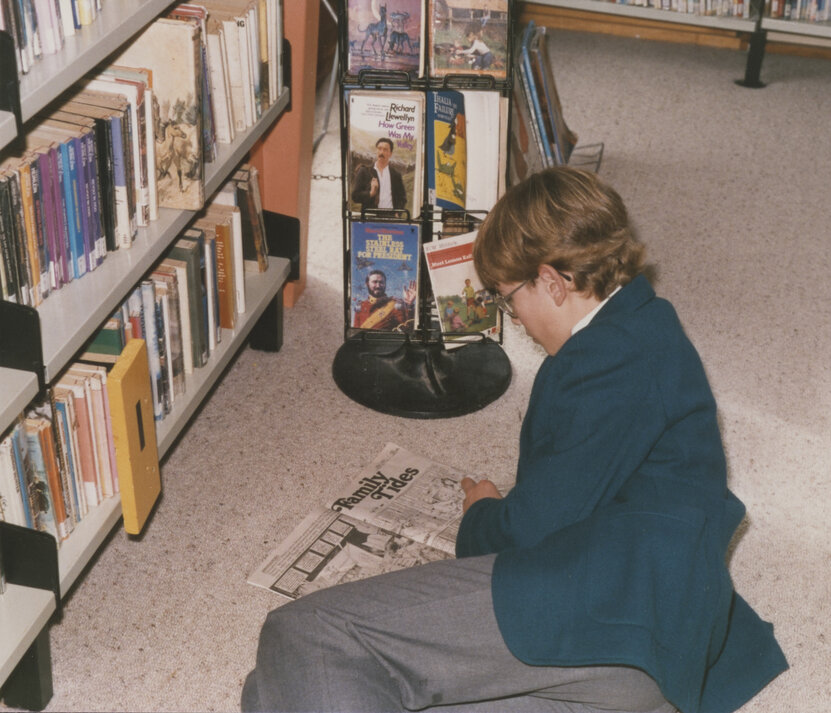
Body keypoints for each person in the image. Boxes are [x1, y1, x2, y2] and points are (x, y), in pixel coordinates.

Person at [242, 167, 788, 713]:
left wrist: (480, 515)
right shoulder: (648, 328)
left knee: (305, 634)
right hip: (647, 664)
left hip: (606, 618)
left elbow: (530, 529)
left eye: (509, 299)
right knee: (270, 693)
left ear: (552, 281)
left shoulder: (603, 361)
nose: (516, 320)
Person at [351, 137, 407, 211]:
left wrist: (397, 214)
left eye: (385, 149)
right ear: (376, 151)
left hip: (390, 217)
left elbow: (402, 198)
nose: (381, 152)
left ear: (390, 154)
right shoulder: (364, 171)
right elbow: (355, 196)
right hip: (370, 217)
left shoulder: (396, 175)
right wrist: (370, 193)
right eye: (379, 149)